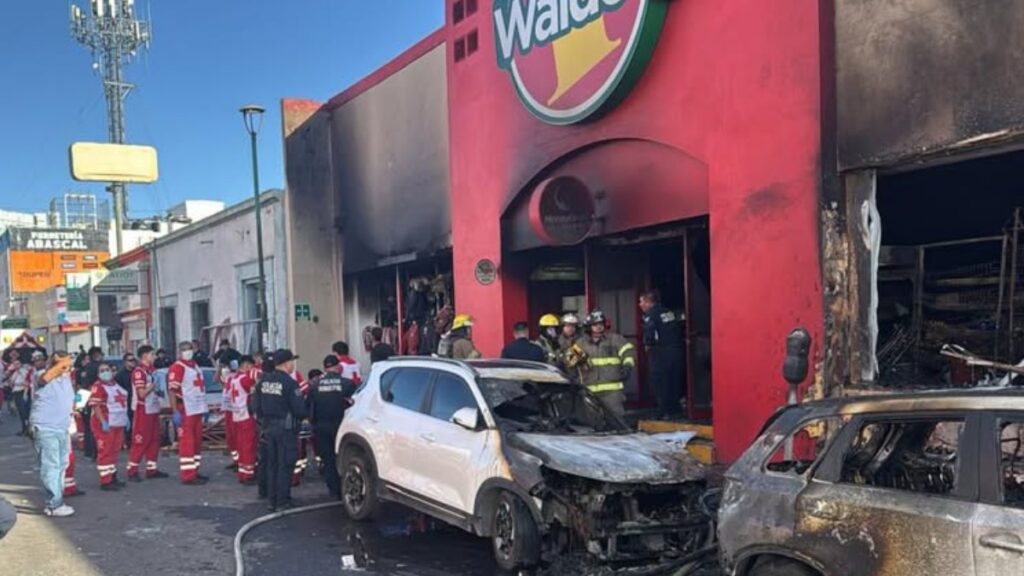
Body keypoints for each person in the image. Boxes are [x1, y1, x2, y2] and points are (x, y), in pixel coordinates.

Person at [252, 349, 308, 512]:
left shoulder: (263, 381)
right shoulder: (289, 383)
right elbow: (299, 410)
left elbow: (255, 405)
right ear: (286, 363)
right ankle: (283, 500)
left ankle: (272, 500)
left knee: (272, 464)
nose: (293, 365)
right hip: (285, 429)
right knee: (286, 464)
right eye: (292, 362)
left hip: (268, 427)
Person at [30, 351, 76, 517]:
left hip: (61, 427)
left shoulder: (66, 379)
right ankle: (54, 504)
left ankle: (57, 500)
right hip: (46, 428)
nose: (68, 367)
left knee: (61, 465)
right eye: (64, 364)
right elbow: (44, 380)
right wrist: (59, 365)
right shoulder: (41, 375)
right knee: (51, 466)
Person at [310, 355, 357, 499]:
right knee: (344, 457)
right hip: (341, 425)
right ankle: (347, 488)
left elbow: (310, 409)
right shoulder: (347, 384)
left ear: (324, 368)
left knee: (328, 459)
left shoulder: (315, 385)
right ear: (338, 367)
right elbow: (356, 404)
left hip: (322, 427)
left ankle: (333, 491)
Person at [577, 310, 636, 417]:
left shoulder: (615, 339)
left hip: (612, 391)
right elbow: (569, 360)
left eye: (601, 324)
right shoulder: (581, 343)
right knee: (593, 419)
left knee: (616, 419)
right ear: (589, 327)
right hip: (590, 390)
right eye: (595, 324)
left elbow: (628, 352)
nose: (599, 327)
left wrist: (627, 366)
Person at [639, 291, 686, 420]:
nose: (640, 305)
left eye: (642, 301)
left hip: (661, 353)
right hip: (675, 351)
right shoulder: (668, 312)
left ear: (649, 302)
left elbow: (650, 335)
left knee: (660, 382)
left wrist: (648, 346)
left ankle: (663, 411)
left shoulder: (651, 316)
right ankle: (675, 410)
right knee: (674, 380)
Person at [168, 341, 209, 485]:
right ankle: (188, 475)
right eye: (184, 349)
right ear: (179, 352)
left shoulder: (195, 366)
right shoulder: (177, 367)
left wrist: (205, 408)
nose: (188, 352)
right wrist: (174, 411)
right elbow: (172, 391)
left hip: (197, 408)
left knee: (197, 442)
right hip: (185, 409)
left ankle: (195, 471)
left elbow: (199, 388)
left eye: (189, 349)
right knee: (187, 443)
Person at [126, 346, 168, 481]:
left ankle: (152, 469)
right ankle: (132, 470)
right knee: (140, 440)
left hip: (154, 408)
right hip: (143, 410)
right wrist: (153, 385)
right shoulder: (139, 372)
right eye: (152, 354)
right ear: (145, 356)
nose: (155, 357)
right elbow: (141, 394)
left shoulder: (152, 371)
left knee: (154, 440)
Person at [88, 362, 129, 490]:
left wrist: (126, 418)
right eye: (102, 370)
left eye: (107, 369)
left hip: (118, 422)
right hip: (105, 422)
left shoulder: (115, 385)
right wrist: (102, 421)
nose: (106, 372)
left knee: (114, 450)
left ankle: (112, 476)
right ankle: (105, 480)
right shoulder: (98, 386)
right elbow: (96, 405)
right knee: (105, 450)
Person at [230, 356, 259, 484]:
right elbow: (255, 391)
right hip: (246, 415)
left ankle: (242, 472)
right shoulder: (245, 379)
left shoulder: (234, 378)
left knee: (241, 445)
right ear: (246, 365)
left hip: (237, 415)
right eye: (251, 366)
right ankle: (248, 474)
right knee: (248, 445)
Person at [75, 347, 104, 459]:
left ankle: (89, 451)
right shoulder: (96, 367)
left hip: (84, 397)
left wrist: (78, 404)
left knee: (87, 426)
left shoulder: (82, 371)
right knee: (94, 426)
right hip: (95, 399)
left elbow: (79, 388)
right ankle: (95, 451)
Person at [10, 352, 36, 436]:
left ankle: (27, 429)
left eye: (18, 363)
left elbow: (26, 382)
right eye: (15, 364)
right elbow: (11, 382)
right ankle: (24, 428)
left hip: (22, 392)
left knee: (25, 411)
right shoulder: (14, 373)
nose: (16, 365)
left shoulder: (24, 371)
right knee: (20, 412)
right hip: (16, 392)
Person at [116, 353, 137, 449]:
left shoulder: (137, 372)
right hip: (126, 403)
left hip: (137, 401)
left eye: (134, 360)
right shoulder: (120, 375)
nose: (133, 362)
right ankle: (127, 442)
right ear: (125, 362)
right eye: (130, 360)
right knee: (127, 423)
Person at [220, 362, 238, 471]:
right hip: (228, 409)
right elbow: (218, 380)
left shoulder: (241, 377)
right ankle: (236, 460)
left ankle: (242, 462)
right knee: (231, 438)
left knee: (238, 437)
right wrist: (220, 367)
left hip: (236, 410)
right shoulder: (228, 377)